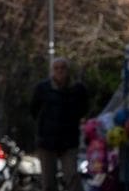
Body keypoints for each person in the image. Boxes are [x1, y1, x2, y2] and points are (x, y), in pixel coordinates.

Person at [31, 57, 89, 191]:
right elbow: (34, 110)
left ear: (68, 70)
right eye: (56, 68)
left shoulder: (78, 89)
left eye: (63, 68)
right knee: (48, 181)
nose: (60, 71)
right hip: (47, 141)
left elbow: (84, 109)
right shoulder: (42, 88)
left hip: (69, 140)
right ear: (52, 71)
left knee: (72, 177)